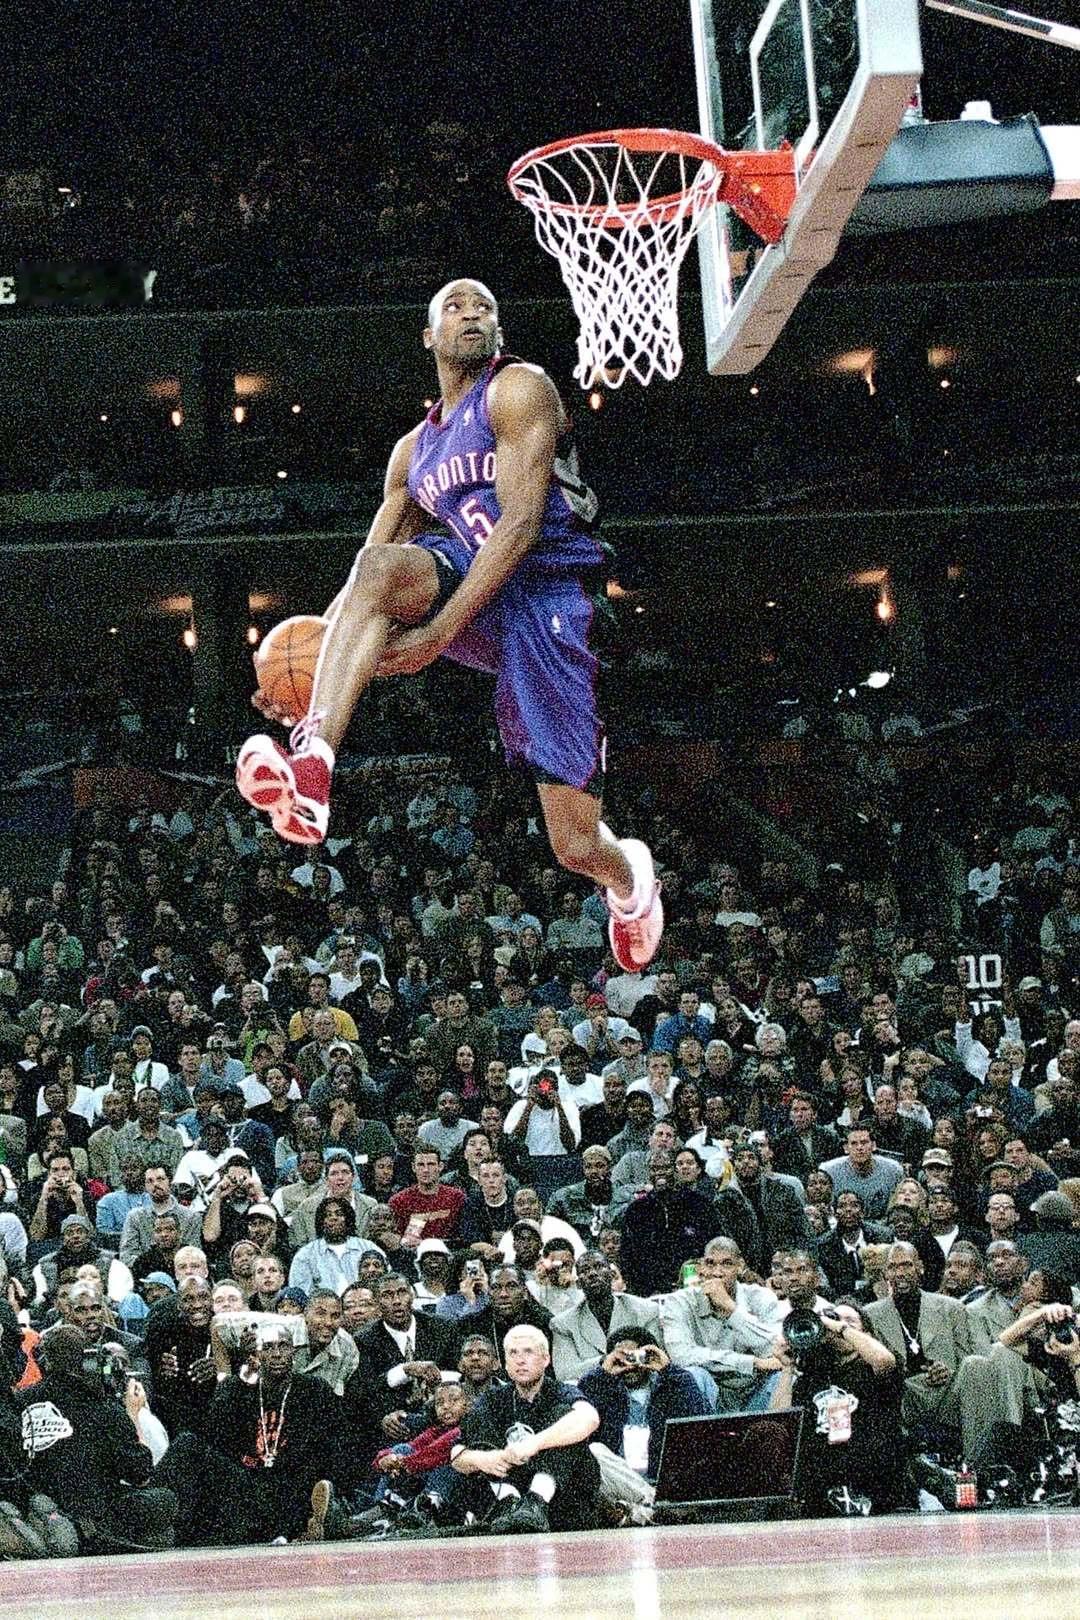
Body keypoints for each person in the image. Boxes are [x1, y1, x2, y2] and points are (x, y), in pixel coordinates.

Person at [235, 278, 663, 976]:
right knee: (381, 570)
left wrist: (435, 639)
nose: (472, 314)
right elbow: (366, 576)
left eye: (484, 307)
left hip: (550, 592)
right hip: (472, 578)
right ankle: (313, 765)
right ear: (429, 336)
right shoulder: (413, 452)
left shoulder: (518, 389)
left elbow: (519, 526)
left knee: (574, 844)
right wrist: (313, 670)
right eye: (455, 307)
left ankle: (631, 883)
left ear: (498, 331)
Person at [18, 1325, 178, 1553]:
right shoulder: (104, 1407)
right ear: (89, 1361)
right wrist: (132, 1415)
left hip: (39, 1499)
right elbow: (140, 1475)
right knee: (164, 1500)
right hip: (98, 1512)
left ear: (44, 1361)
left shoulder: (20, 1402)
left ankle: (52, 1523)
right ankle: (82, 1531)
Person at [451, 1323, 601, 1533]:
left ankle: (537, 1500)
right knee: (478, 1419)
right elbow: (456, 1454)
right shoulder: (493, 1398)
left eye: (528, 1352)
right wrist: (484, 1459)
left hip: (562, 1499)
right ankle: (508, 1502)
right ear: (505, 1362)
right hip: (509, 1493)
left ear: (546, 1359)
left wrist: (534, 1444)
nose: (520, 1360)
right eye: (513, 1353)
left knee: (566, 1418)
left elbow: (590, 1418)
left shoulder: (561, 1391)